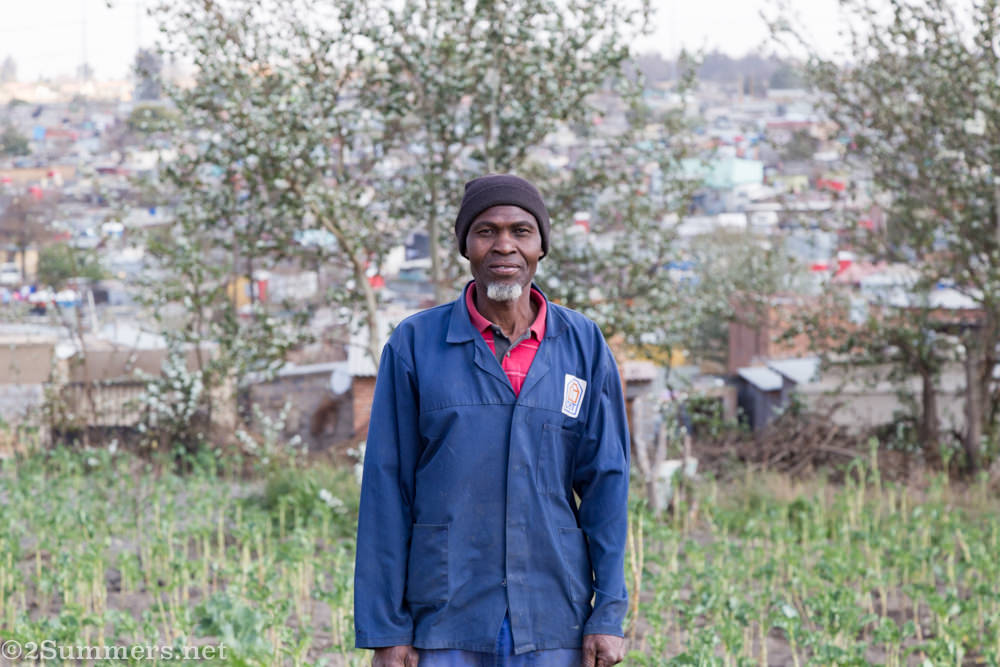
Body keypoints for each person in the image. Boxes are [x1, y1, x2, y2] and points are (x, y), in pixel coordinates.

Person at [354, 174, 630, 667]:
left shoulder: (583, 345)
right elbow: (386, 489)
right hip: (444, 618)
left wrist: (607, 614)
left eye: (521, 231)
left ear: (541, 246)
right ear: (466, 246)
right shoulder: (415, 345)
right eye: (486, 231)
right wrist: (387, 629)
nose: (504, 245)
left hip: (554, 618)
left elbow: (606, 484)